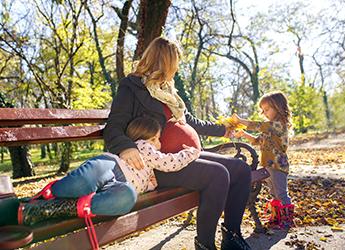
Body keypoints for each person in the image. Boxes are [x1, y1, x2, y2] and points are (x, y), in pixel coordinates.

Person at [103, 37, 252, 250]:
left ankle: (232, 235)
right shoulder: (132, 87)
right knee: (218, 174)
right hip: (158, 164)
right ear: (165, 62)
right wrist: (126, 147)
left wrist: (222, 130)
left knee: (241, 169)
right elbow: (114, 126)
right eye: (175, 63)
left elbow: (189, 121)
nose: (177, 68)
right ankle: (205, 244)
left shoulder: (168, 91)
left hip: (183, 156)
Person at [18, 116, 200, 225]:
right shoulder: (143, 146)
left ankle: (54, 208)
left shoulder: (150, 170)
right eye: (157, 139)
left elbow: (148, 179)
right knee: (78, 185)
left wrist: (150, 183)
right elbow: (170, 162)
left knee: (127, 197)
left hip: (121, 185)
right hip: (109, 166)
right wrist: (191, 153)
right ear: (146, 138)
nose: (159, 144)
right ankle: (47, 197)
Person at [232, 91, 294, 229]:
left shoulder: (278, 125)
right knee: (273, 193)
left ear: (278, 107)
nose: (265, 113)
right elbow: (256, 141)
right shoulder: (269, 128)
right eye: (263, 110)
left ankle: (287, 220)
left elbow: (258, 125)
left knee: (281, 193)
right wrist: (243, 133)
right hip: (268, 165)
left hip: (278, 166)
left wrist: (241, 121)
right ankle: (277, 218)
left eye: (267, 109)